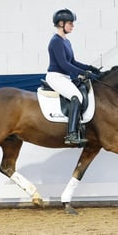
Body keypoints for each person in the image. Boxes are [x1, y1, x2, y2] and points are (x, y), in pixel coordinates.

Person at [45, 8, 100, 145]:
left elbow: (73, 62)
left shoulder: (66, 42)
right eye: (70, 23)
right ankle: (72, 134)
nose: (72, 26)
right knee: (77, 97)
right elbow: (63, 64)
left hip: (64, 77)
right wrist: (82, 73)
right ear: (61, 23)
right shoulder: (55, 41)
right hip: (55, 76)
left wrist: (89, 68)